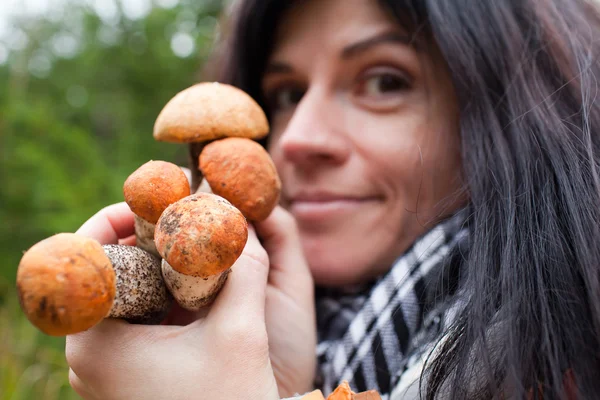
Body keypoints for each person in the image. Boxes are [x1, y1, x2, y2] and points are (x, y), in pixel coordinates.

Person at [65, 0, 600, 398]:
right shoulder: (271, 333)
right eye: (288, 94)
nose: (296, 137)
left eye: (386, 81)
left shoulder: (563, 360)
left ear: (511, 115)